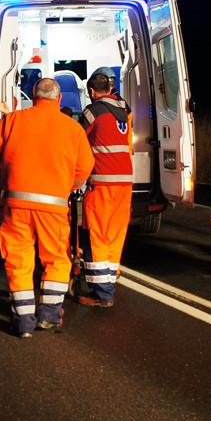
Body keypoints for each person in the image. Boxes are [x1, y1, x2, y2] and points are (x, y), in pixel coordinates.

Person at [0, 79, 94, 338]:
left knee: (18, 259)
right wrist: (69, 184)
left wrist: (10, 156)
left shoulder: (14, 120)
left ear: (34, 97)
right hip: (53, 207)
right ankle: (49, 316)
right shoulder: (73, 128)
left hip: (16, 204)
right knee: (55, 259)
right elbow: (85, 166)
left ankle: (23, 323)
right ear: (58, 100)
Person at [75, 68, 133, 308]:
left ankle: (103, 294)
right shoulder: (124, 108)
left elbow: (76, 139)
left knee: (97, 235)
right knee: (114, 234)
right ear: (111, 88)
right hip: (125, 182)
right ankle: (110, 279)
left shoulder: (93, 111)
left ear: (91, 91)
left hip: (103, 182)